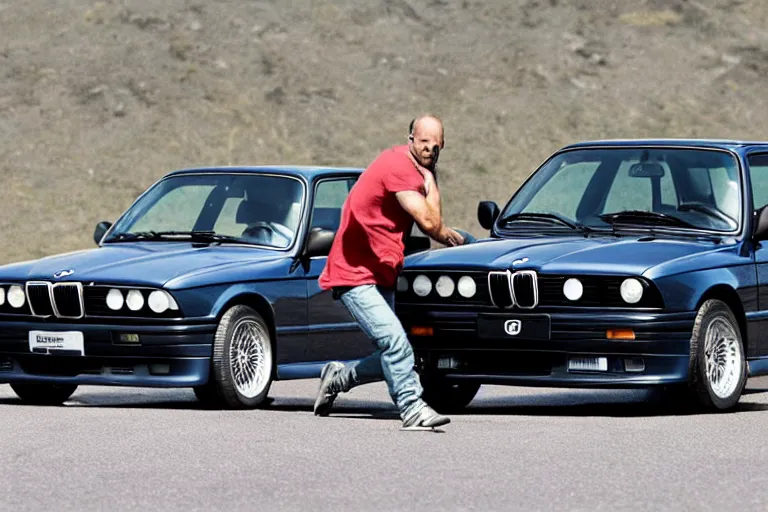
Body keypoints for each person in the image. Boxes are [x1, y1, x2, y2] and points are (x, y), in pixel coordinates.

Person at [314, 114, 464, 430]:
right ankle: (412, 409)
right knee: (396, 344)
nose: (429, 149)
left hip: (380, 272)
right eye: (423, 142)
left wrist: (454, 236)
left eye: (435, 145)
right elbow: (429, 223)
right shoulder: (398, 167)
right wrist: (431, 182)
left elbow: (437, 226)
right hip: (353, 274)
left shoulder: (415, 170)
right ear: (411, 139)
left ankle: (337, 379)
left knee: (392, 353)